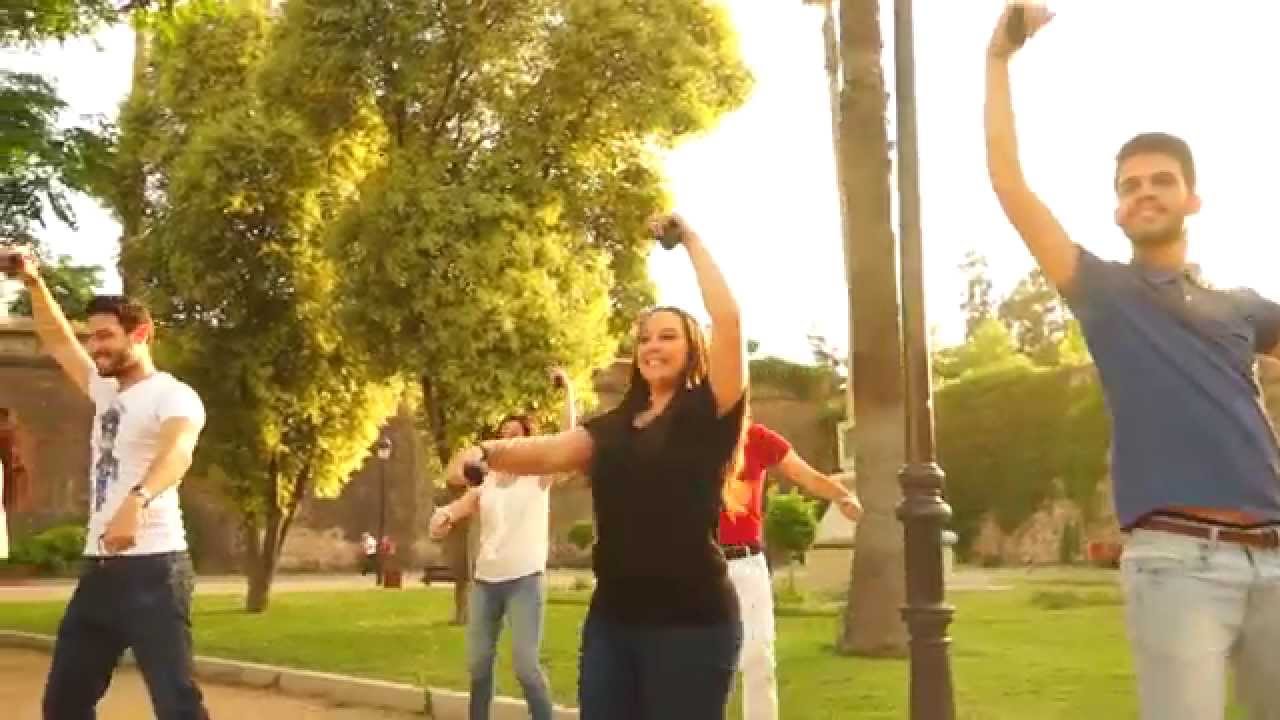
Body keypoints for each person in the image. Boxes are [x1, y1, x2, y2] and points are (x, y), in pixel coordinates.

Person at [984, 7, 1280, 719]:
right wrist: (997, 59)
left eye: (1161, 180)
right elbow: (1010, 187)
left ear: (1192, 197)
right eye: (1130, 185)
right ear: (1118, 210)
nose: (1144, 192)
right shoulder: (1104, 291)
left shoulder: (1240, 304)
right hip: (1178, 562)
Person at [452, 213, 747, 719]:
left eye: (667, 336)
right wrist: (485, 452)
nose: (652, 345)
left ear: (691, 347)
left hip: (692, 625)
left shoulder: (708, 411)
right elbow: (548, 450)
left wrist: (691, 240)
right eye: (645, 338)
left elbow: (730, 324)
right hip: (614, 622)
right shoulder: (613, 427)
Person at [2, 247, 210, 719]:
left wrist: (137, 500)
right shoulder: (105, 391)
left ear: (141, 334)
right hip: (99, 574)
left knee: (176, 703)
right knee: (64, 705)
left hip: (155, 572)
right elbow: (57, 342)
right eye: (92, 337)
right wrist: (33, 281)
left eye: (105, 337)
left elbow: (178, 451)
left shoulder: (174, 395)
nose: (95, 348)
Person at [429, 368, 576, 720]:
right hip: (486, 583)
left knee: (526, 667)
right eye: (503, 437)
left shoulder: (539, 477)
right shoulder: (487, 482)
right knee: (478, 665)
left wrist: (569, 389)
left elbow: (569, 440)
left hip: (525, 581)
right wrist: (443, 519)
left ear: (529, 444)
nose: (508, 444)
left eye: (517, 437)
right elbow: (458, 505)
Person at [721, 420, 862, 720]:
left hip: (746, 564)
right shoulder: (681, 436)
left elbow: (806, 475)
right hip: (698, 566)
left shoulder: (756, 438)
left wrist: (841, 496)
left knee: (759, 656)